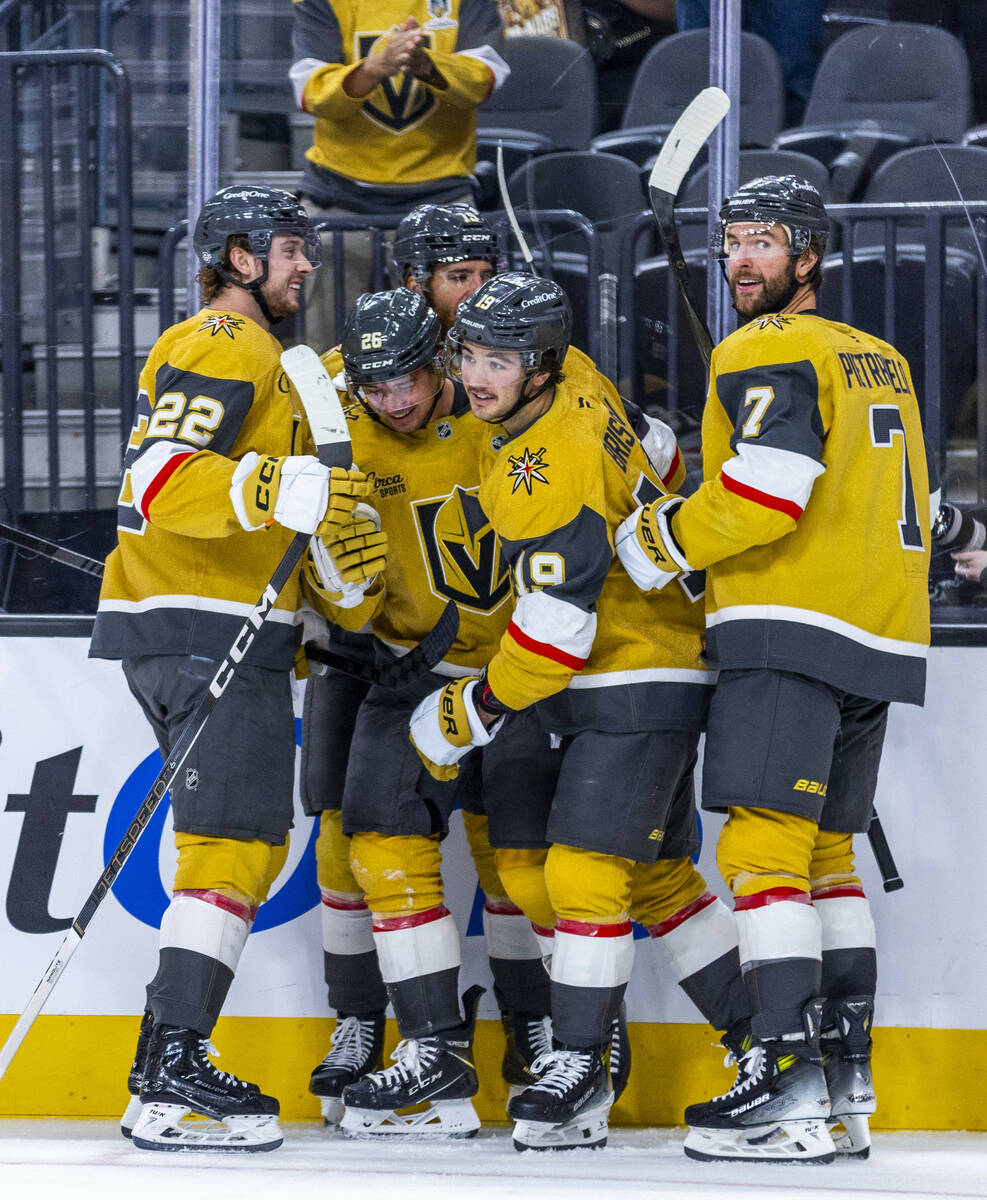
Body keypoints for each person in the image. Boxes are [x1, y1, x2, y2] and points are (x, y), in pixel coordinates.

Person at [614, 175, 933, 1162]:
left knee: (760, 861)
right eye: (732, 241)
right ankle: (843, 1090)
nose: (740, 258)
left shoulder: (765, 347)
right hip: (876, 637)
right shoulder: (879, 359)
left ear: (810, 255)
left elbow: (769, 493)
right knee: (825, 861)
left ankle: (784, 1090)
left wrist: (661, 539)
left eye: (764, 241)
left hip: (785, 630)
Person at [410, 272, 752, 1152]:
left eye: (499, 360)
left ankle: (578, 1065)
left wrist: (470, 708)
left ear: (539, 366)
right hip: (650, 658)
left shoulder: (545, 467)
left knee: (580, 873)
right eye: (468, 356)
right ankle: (770, 1047)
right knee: (659, 880)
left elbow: (556, 632)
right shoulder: (582, 379)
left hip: (630, 668)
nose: (477, 376)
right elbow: (663, 449)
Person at [89, 184, 372, 1153]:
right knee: (232, 849)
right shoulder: (223, 341)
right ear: (241, 256)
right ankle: (172, 1073)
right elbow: (160, 478)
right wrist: (268, 483)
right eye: (291, 248)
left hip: (209, 626)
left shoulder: (261, 359)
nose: (307, 265)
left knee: (235, 845)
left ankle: (158, 1066)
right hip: (202, 627)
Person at [303, 287, 570, 1138]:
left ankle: (556, 1033)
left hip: (517, 672)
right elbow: (347, 605)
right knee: (370, 845)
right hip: (409, 673)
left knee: (519, 868)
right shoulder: (342, 440)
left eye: (406, 382)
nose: (393, 402)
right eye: (374, 389)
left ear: (444, 361)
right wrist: (341, 585)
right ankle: (431, 1048)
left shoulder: (513, 405)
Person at [289, 0, 510, 332]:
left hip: (443, 199)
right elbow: (311, 91)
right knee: (331, 347)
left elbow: (484, 78)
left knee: (452, 343)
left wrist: (427, 65)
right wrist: (375, 68)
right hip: (340, 199)